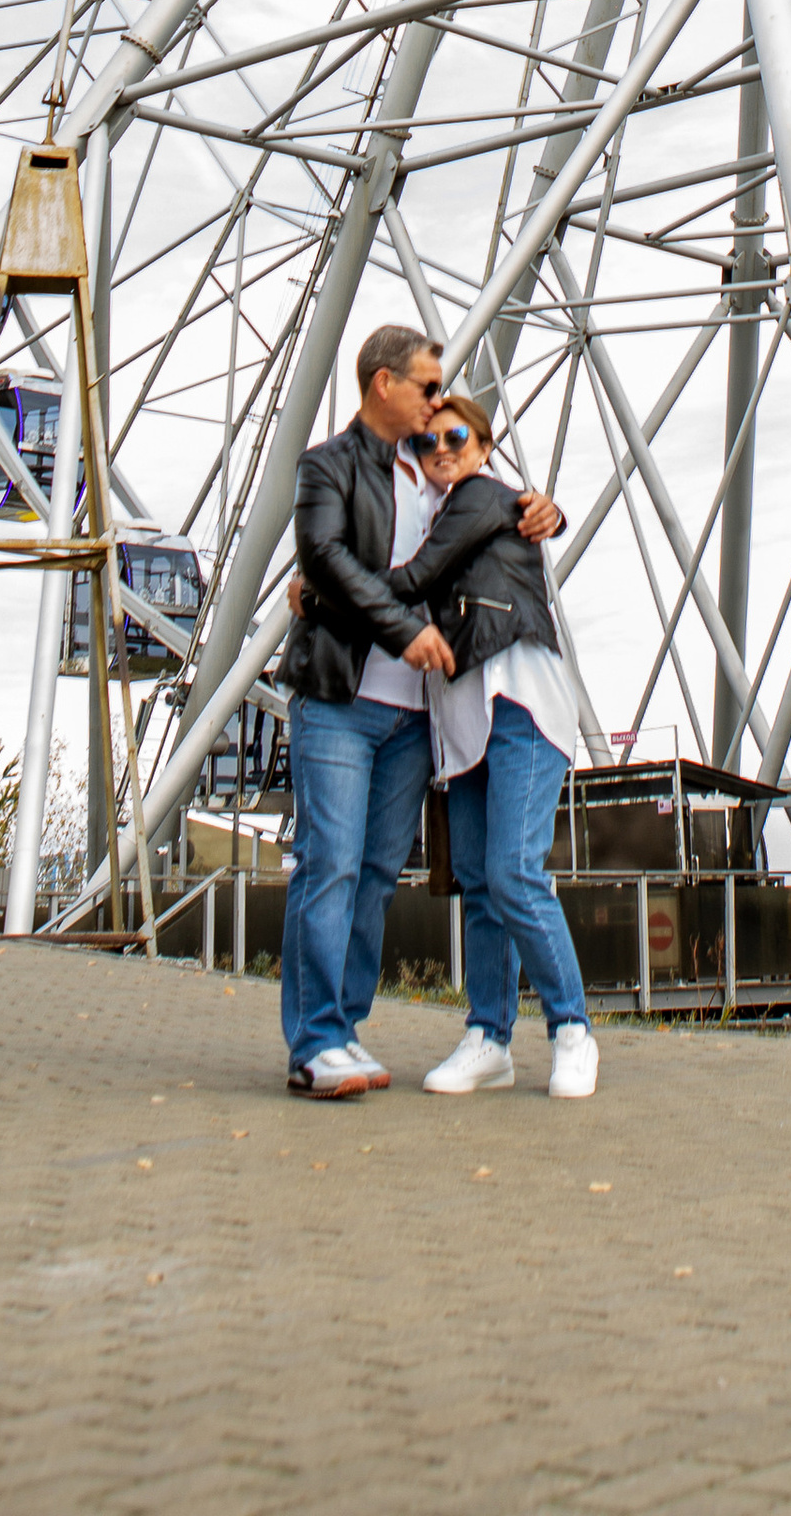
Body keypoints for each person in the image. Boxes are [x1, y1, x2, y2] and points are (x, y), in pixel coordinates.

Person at [280, 323, 562, 1101]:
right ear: (383, 384)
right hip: (341, 698)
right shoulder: (327, 466)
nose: (439, 407)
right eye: (429, 388)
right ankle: (315, 1042)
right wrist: (398, 628)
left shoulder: (442, 475)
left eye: (447, 404)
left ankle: (347, 1027)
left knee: (372, 876)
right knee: (329, 864)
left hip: (414, 717)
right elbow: (328, 558)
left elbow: (487, 525)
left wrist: (543, 509)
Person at [385, 388, 598, 1102]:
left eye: (454, 440)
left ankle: (572, 1029)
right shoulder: (431, 509)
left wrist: (326, 589)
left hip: (519, 702)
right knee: (479, 883)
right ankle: (489, 1037)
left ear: (482, 447)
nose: (440, 452)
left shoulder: (481, 498)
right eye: (426, 443)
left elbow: (415, 579)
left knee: (512, 873)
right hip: (464, 716)